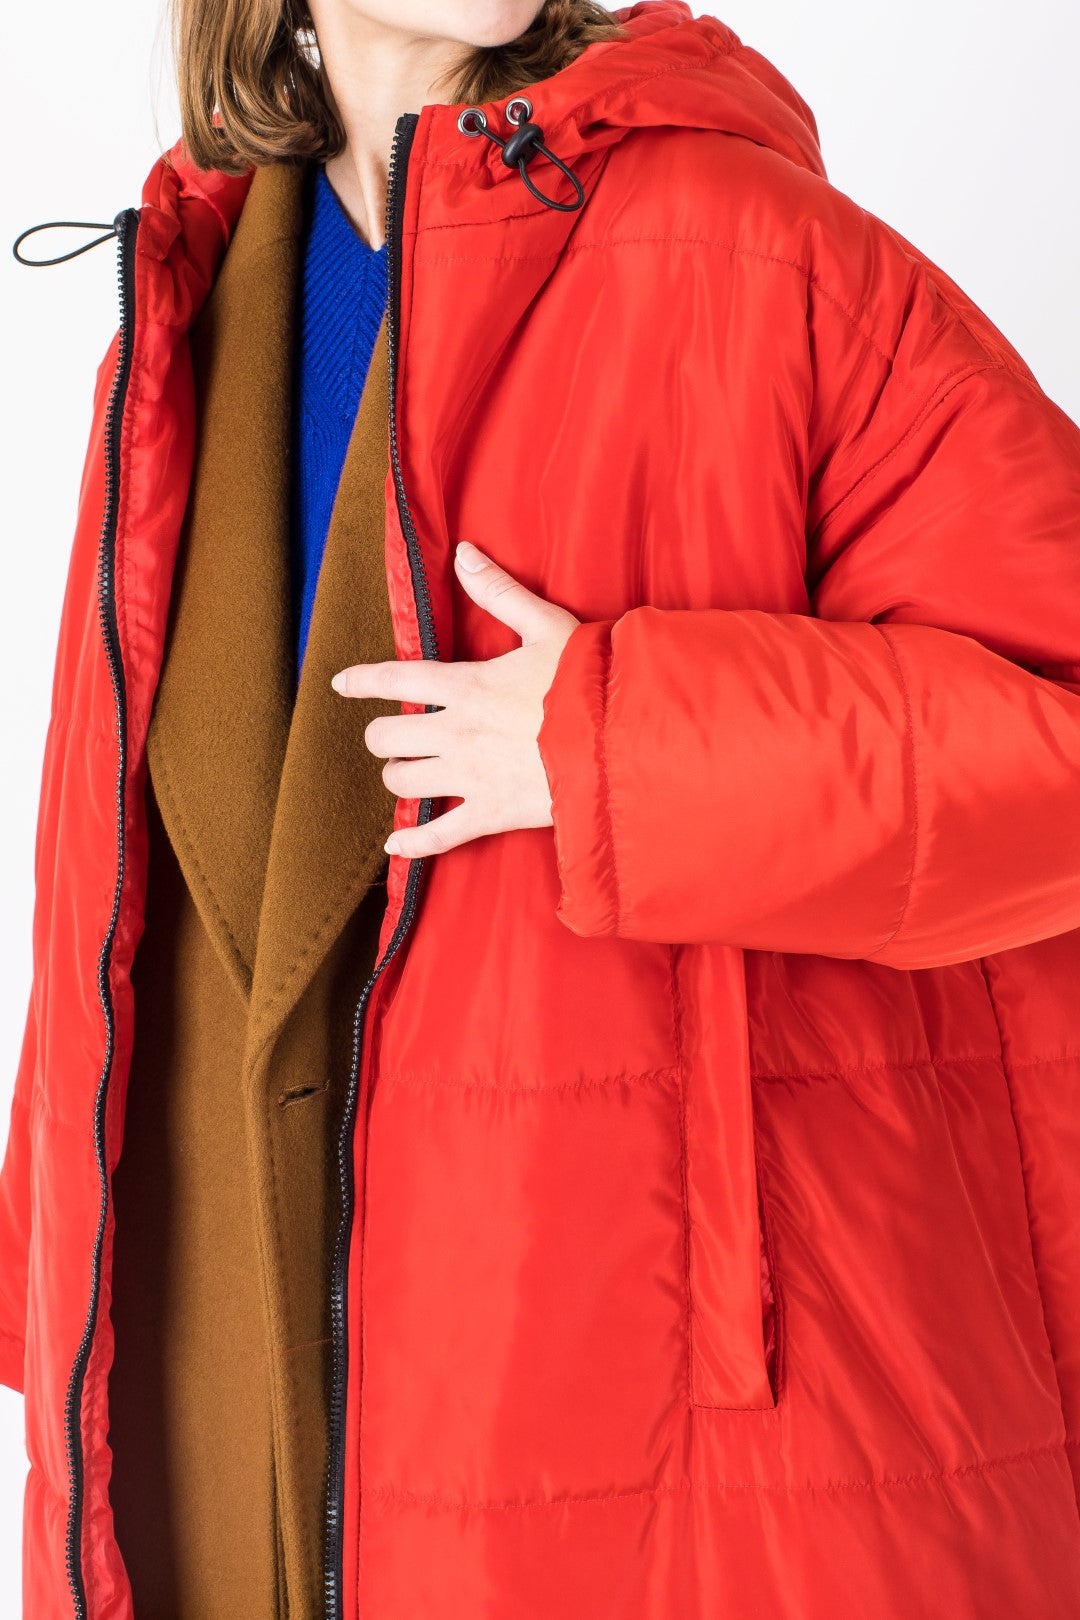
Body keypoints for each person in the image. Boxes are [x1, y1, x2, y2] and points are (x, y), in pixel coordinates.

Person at [5, 0, 1080, 1614]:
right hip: (218, 1445)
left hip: (659, 1436)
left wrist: (623, 748)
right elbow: (112, 920)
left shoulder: (749, 253)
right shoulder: (177, 322)